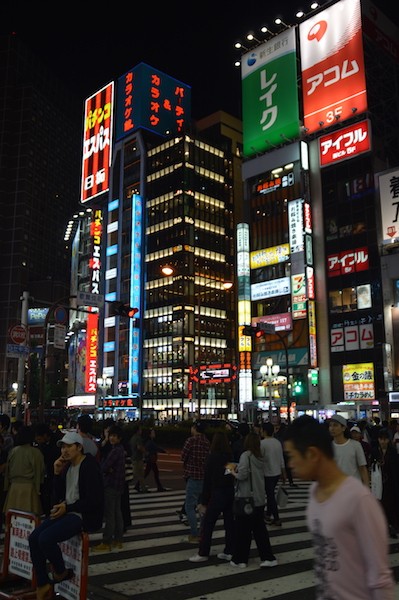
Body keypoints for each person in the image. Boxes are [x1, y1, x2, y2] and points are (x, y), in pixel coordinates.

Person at [284, 415, 395, 600]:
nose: (290, 464)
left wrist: (366, 487)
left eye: (292, 456)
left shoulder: (359, 501)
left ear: (312, 454)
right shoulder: (314, 494)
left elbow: (380, 576)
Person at [28, 431, 104, 600]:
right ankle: (43, 583)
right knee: (33, 538)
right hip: (67, 511)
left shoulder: (89, 466)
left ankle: (61, 572)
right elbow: (57, 497)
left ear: (79, 448)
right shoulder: (67, 466)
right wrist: (56, 473)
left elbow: (94, 500)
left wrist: (67, 507)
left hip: (81, 515)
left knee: (45, 539)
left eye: (69, 446)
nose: (64, 450)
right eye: (63, 446)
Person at [230, 432, 277, 569]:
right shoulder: (261, 456)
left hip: (246, 498)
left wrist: (233, 472)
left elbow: (242, 475)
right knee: (259, 530)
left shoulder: (246, 456)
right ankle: (267, 557)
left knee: (242, 531)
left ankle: (240, 559)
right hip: (259, 497)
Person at [188, 431, 235, 563]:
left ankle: (203, 552)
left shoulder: (212, 457)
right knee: (229, 523)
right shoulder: (229, 456)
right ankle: (229, 550)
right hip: (229, 491)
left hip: (217, 492)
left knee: (208, 524)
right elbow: (230, 474)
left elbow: (207, 480)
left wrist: (203, 501)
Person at [92, 424, 126, 552]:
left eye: (115, 436)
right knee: (117, 513)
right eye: (111, 435)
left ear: (119, 438)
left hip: (111, 485)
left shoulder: (115, 451)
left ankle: (106, 541)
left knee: (110, 514)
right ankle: (118, 539)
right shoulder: (121, 449)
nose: (112, 438)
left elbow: (104, 467)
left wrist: (107, 469)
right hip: (119, 485)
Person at [3, 425, 45, 518]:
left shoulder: (13, 451)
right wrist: (38, 489)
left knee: (13, 520)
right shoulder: (36, 453)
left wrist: (6, 487)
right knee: (28, 520)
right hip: (29, 489)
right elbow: (39, 472)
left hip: (13, 488)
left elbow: (7, 472)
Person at [181, 420, 210, 543]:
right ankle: (203, 532)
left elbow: (183, 456)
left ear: (194, 428)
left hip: (193, 476)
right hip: (204, 477)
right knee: (202, 506)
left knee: (189, 506)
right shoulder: (207, 442)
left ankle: (194, 533)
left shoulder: (190, 441)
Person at [370, 428, 399, 538]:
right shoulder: (375, 451)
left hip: (391, 483)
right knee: (380, 505)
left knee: (391, 505)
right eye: (381, 439)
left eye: (385, 439)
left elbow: (396, 468)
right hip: (379, 483)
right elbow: (371, 466)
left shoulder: (393, 451)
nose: (383, 441)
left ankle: (392, 527)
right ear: (378, 439)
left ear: (388, 440)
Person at [328, 414, 369, 486]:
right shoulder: (328, 447)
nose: (332, 428)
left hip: (354, 489)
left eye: (335, 425)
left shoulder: (355, 445)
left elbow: (362, 469)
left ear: (343, 428)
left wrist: (366, 488)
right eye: (330, 425)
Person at [260, 421, 286, 527]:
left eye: (262, 430)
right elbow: (281, 459)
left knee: (270, 496)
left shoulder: (262, 444)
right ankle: (269, 514)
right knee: (271, 494)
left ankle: (276, 518)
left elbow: (260, 459)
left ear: (265, 431)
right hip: (276, 472)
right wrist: (283, 473)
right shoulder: (277, 442)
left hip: (267, 473)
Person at [33, 423, 61, 517]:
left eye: (39, 439)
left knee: (53, 494)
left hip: (55, 473)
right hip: (46, 474)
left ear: (45, 435)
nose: (38, 441)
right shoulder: (42, 445)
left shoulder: (57, 442)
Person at [129, 423, 146, 493]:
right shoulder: (138, 438)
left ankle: (139, 487)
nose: (141, 431)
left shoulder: (132, 438)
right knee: (140, 474)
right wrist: (145, 452)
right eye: (140, 429)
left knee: (138, 474)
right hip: (138, 458)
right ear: (137, 430)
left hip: (133, 457)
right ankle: (143, 488)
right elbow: (139, 447)